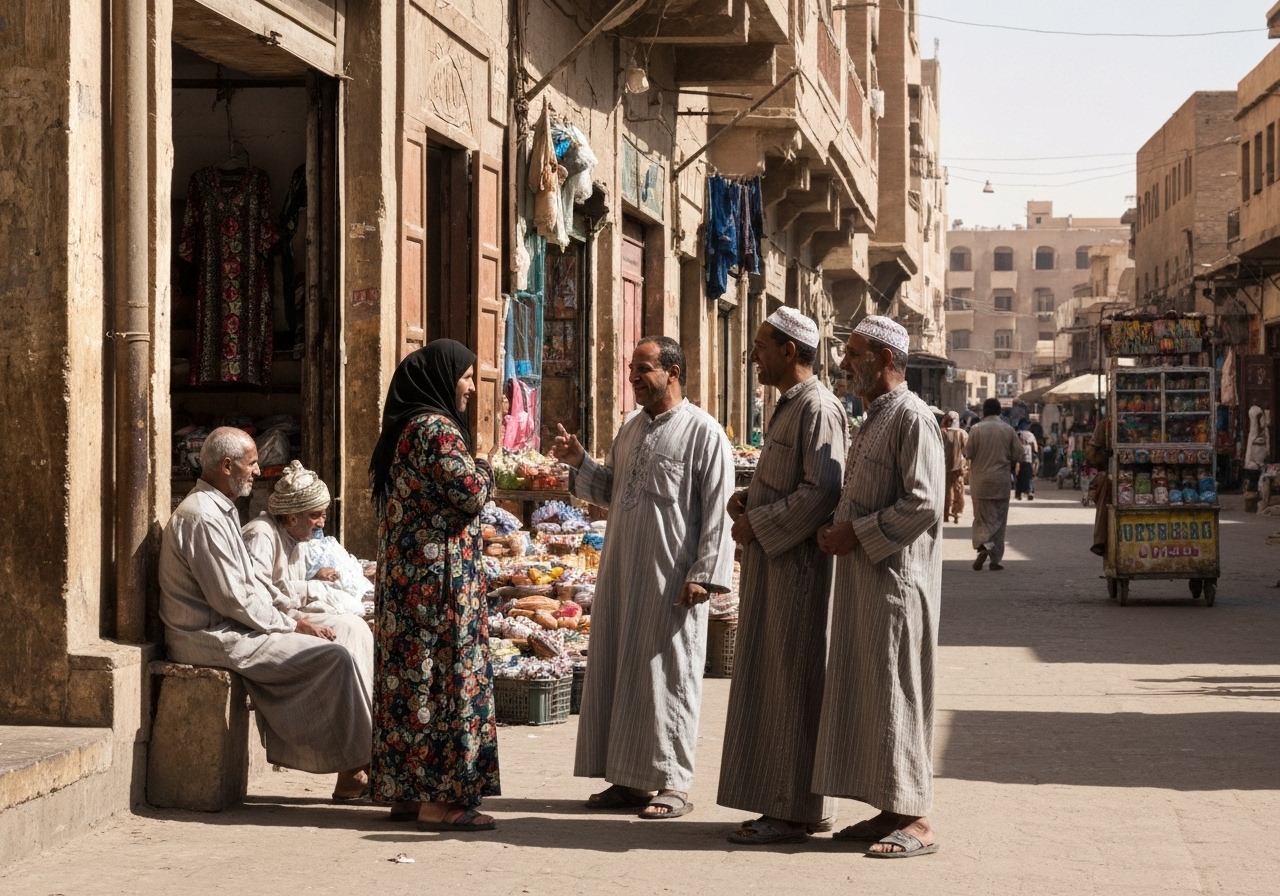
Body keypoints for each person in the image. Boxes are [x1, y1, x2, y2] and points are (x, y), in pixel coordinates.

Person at [550, 336, 735, 820]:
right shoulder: (631, 429)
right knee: (624, 672)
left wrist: (705, 574)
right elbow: (613, 490)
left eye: (643, 367)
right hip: (622, 572)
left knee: (668, 675)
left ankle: (673, 782)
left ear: (673, 372)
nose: (633, 375)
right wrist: (580, 463)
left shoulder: (704, 433)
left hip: (671, 579)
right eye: (633, 367)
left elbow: (718, 511)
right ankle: (630, 780)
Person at [158, 427, 372, 801]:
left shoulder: (221, 510)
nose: (258, 471)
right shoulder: (202, 518)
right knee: (333, 657)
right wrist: (293, 624)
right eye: (252, 463)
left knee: (352, 630)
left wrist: (291, 612)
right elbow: (234, 600)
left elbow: (255, 584)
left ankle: (371, 748)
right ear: (227, 465)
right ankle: (355, 765)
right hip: (209, 636)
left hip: (237, 624)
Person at [811, 315, 944, 858]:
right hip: (867, 580)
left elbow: (924, 502)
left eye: (855, 353)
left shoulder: (912, 416)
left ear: (887, 360)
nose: (844, 364)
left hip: (896, 582)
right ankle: (890, 806)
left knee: (898, 692)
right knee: (874, 693)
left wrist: (856, 532)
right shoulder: (871, 419)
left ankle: (916, 819)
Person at [718, 309, 847, 845]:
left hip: (796, 571)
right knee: (773, 680)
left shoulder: (818, 407)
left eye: (761, 346)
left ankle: (794, 810)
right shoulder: (789, 406)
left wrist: (758, 524)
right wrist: (753, 498)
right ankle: (788, 803)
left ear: (790, 351)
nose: (753, 355)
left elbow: (821, 492)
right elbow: (792, 482)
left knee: (791, 682)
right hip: (774, 565)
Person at [368, 339, 500, 832]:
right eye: (465, 378)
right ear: (443, 379)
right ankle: (441, 800)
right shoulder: (437, 429)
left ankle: (405, 792)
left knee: (411, 681)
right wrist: (485, 465)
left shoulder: (402, 428)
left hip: (408, 583)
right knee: (443, 683)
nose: (470, 387)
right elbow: (468, 496)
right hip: (440, 585)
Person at [242, 460, 371, 619]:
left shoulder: (297, 540)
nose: (321, 524)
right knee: (348, 624)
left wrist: (315, 578)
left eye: (323, 516)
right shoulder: (261, 535)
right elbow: (258, 594)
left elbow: (290, 582)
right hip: (268, 621)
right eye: (314, 516)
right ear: (292, 518)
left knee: (352, 614)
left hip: (287, 614)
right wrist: (311, 591)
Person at [964, 398, 1023, 571]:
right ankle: (995, 559)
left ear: (983, 411)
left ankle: (984, 545)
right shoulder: (1008, 429)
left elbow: (968, 453)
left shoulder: (975, 429)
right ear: (999, 412)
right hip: (1001, 482)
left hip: (980, 482)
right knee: (999, 519)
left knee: (981, 518)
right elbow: (1020, 455)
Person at [941, 411, 968, 524]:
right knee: (958, 490)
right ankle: (956, 512)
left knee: (945, 491)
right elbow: (967, 451)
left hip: (943, 467)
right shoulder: (962, 433)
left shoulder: (941, 433)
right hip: (958, 468)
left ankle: (945, 514)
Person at [1015, 422, 1038, 501]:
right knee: (1029, 477)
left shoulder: (1017, 434)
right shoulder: (1031, 435)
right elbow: (1035, 448)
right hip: (1029, 460)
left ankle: (1018, 494)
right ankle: (1030, 492)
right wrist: (1035, 457)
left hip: (1019, 459)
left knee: (1019, 477)